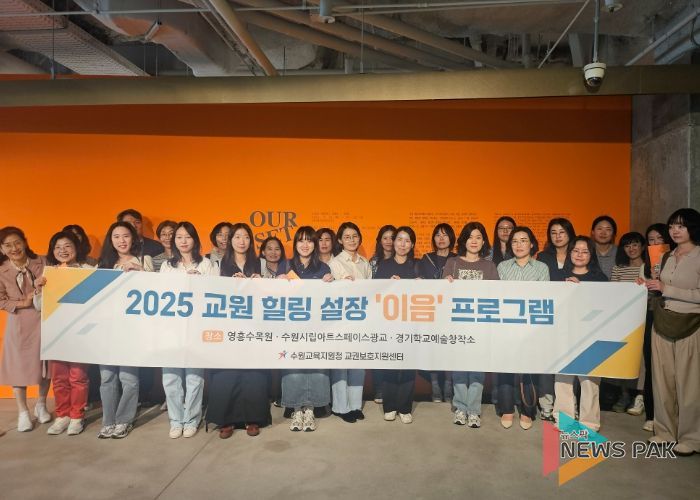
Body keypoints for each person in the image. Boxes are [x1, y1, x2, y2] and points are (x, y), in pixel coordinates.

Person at [644, 208, 700, 457]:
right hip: (663, 322)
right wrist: (651, 286)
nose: (675, 231)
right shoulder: (666, 255)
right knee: (662, 380)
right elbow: (660, 288)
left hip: (690, 324)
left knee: (689, 383)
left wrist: (667, 289)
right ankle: (665, 431)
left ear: (692, 228)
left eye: (681, 226)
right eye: (672, 226)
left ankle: (692, 437)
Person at [209, 223, 269, 439]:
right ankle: (226, 419)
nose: (241, 241)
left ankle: (253, 418)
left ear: (251, 241)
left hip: (254, 326)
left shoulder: (261, 263)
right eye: (237, 237)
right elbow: (210, 293)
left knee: (253, 373)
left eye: (246, 237)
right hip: (228, 327)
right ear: (230, 240)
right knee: (227, 372)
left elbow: (274, 294)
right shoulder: (217, 264)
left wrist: (261, 283)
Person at [97, 221, 154, 439]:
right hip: (106, 329)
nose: (121, 241)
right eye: (116, 237)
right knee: (107, 377)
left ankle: (124, 420)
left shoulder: (144, 260)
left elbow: (156, 290)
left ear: (133, 238)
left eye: (126, 236)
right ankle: (108, 421)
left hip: (132, 329)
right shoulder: (103, 264)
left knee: (128, 378)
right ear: (110, 240)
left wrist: (142, 272)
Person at [34, 231, 93, 436]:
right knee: (59, 378)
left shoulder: (88, 271)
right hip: (56, 333)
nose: (63, 250)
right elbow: (39, 306)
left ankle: (77, 416)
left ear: (76, 248)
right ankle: (62, 415)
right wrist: (39, 290)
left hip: (80, 333)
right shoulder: (50, 273)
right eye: (58, 247)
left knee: (78, 377)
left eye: (67, 246)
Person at [160, 222, 214, 439]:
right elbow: (161, 293)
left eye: (188, 237)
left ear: (195, 240)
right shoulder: (167, 266)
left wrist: (200, 283)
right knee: (170, 377)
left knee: (194, 377)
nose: (183, 241)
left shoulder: (207, 264)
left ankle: (191, 418)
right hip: (171, 328)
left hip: (196, 327)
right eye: (179, 237)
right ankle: (175, 420)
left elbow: (216, 293)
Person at [443, 222, 499, 428]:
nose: (474, 241)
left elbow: (497, 296)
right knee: (459, 368)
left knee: (477, 369)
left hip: (481, 325)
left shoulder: (489, 267)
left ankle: (473, 410)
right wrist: (446, 283)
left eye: (478, 237)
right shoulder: (452, 263)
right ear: (463, 241)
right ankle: (460, 407)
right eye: (470, 237)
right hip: (457, 324)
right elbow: (442, 295)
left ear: (483, 242)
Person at [278, 226, 333, 432]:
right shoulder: (286, 265)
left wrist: (331, 283)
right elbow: (274, 296)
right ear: (295, 244)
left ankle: (310, 409)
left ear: (315, 244)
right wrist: (277, 282)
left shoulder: (323, 268)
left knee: (316, 364)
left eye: (309, 240)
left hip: (317, 327)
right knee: (293, 366)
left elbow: (330, 299)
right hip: (291, 327)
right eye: (301, 240)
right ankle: (296, 408)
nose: (305, 244)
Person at [496, 226, 549, 430]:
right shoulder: (502, 267)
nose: (519, 245)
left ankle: (527, 410)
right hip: (506, 326)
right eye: (515, 241)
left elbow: (544, 297)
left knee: (529, 368)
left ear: (532, 244)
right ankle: (507, 409)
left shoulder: (541, 268)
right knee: (506, 369)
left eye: (523, 240)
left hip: (531, 326)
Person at [555, 236, 608, 432]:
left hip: (591, 336)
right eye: (576, 251)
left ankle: (589, 422)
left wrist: (581, 289)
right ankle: (564, 419)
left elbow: (604, 307)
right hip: (564, 334)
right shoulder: (559, 276)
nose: (579, 255)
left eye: (585, 251)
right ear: (570, 253)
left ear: (591, 255)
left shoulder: (600, 278)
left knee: (589, 381)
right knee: (563, 379)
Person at [0, 227, 49, 433]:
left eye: (17, 242)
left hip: (44, 320)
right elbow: (1, 300)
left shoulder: (43, 261)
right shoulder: (1, 270)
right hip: (18, 322)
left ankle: (41, 404)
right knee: (18, 367)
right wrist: (23, 302)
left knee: (45, 364)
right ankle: (22, 411)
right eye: (8, 245)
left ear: (25, 242)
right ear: (1, 249)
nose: (14, 248)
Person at [375, 225, 419, 424]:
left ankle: (405, 407)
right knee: (390, 364)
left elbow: (429, 291)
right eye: (399, 239)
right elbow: (375, 293)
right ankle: (390, 406)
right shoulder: (384, 266)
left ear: (412, 245)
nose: (403, 244)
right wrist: (388, 284)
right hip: (389, 324)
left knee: (408, 366)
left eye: (407, 240)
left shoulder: (417, 266)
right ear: (393, 243)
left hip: (412, 323)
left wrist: (418, 283)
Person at [329, 222, 371, 424]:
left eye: (355, 236)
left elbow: (371, 290)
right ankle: (340, 407)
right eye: (347, 237)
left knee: (358, 362)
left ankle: (355, 405)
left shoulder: (365, 263)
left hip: (361, 319)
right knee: (341, 363)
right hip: (340, 320)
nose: (352, 240)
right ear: (340, 240)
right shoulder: (335, 263)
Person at [536, 218, 576, 422]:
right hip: (547, 314)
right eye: (553, 232)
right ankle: (546, 404)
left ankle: (567, 407)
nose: (558, 236)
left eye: (562, 232)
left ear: (569, 233)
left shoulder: (578, 254)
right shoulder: (543, 257)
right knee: (546, 361)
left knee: (568, 363)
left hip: (572, 316)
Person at [637, 223, 671, 432]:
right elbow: (647, 296)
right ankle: (651, 414)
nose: (656, 242)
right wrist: (641, 286)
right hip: (651, 316)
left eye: (660, 238)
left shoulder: (676, 260)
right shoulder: (645, 265)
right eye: (651, 239)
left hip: (674, 316)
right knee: (651, 365)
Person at [418, 223, 457, 403]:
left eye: (445, 235)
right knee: (433, 348)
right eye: (438, 235)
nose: (441, 239)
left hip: (451, 311)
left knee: (449, 349)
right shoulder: (426, 258)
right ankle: (435, 387)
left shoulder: (458, 259)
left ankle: (448, 386)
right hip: (431, 310)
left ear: (451, 238)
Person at [610, 232, 648, 415]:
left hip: (644, 318)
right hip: (623, 320)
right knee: (624, 357)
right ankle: (624, 395)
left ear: (642, 246)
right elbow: (614, 292)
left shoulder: (649, 268)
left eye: (635, 244)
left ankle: (640, 396)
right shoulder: (618, 268)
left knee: (642, 360)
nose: (631, 249)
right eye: (627, 245)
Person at [369, 224, 396, 403]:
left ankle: (393, 389)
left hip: (398, 314)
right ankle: (379, 389)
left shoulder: (404, 260)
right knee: (378, 352)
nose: (389, 241)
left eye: (392, 238)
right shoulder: (372, 262)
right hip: (377, 314)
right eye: (385, 238)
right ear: (379, 241)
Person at [591, 215, 618, 279]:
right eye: (599, 229)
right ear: (593, 232)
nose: (603, 233)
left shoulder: (620, 252)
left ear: (614, 234)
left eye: (608, 229)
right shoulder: (585, 251)